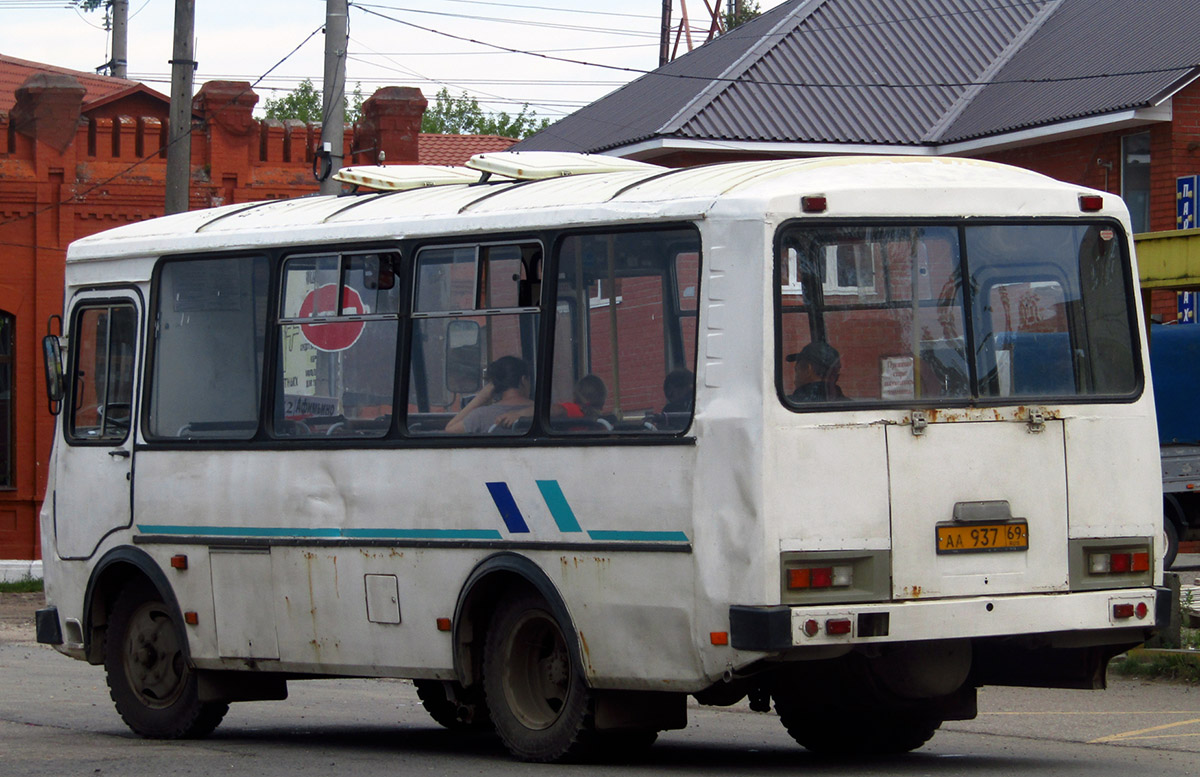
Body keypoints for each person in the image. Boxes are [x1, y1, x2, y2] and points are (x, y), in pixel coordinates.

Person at [445, 355, 533, 434]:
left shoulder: (481, 415)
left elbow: (450, 430)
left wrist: (481, 398)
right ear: (524, 380)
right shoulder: (541, 412)